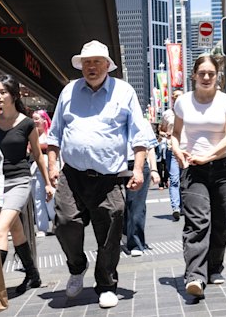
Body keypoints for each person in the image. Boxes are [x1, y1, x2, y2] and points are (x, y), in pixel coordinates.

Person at [46, 40, 150, 309]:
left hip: (109, 177)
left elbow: (139, 136)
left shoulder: (124, 91)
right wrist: (52, 165)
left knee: (111, 229)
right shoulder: (69, 91)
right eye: (87, 62)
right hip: (73, 175)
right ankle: (77, 266)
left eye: (96, 62)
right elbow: (54, 134)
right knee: (65, 222)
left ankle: (106, 284)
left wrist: (138, 169)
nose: (91, 67)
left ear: (107, 65)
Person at [172, 55, 226, 297]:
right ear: (194, 75)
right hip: (193, 169)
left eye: (211, 73)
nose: (207, 77)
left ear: (217, 75)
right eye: (202, 73)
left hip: (220, 167)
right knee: (197, 221)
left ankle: (214, 267)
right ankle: (195, 276)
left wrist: (208, 155)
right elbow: (175, 133)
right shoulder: (183, 102)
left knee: (220, 221)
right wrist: (177, 151)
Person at [0, 75, 51, 294]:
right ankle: (33, 275)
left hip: (20, 181)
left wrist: (48, 183)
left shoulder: (26, 123)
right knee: (16, 230)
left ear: (14, 95)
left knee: (0, 230)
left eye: (3, 92)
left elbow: (38, 155)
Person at [123, 143, 160, 257]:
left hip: (137, 164)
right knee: (118, 205)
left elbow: (151, 147)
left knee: (136, 206)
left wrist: (154, 170)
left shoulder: (142, 130)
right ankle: (125, 233)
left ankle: (136, 243)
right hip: (114, 166)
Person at [160, 89, 184, 221]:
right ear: (172, 99)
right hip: (172, 149)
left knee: (185, 180)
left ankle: (184, 206)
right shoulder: (167, 114)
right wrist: (166, 134)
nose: (178, 99)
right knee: (174, 180)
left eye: (180, 96)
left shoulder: (189, 112)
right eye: (175, 97)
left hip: (185, 150)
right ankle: (176, 208)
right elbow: (161, 130)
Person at [31, 109, 55, 237]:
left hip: (50, 169)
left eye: (37, 118)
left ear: (44, 120)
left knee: (52, 198)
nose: (34, 121)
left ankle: (57, 222)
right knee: (38, 199)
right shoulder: (31, 135)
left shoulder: (51, 133)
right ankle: (42, 227)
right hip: (36, 170)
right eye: (33, 119)